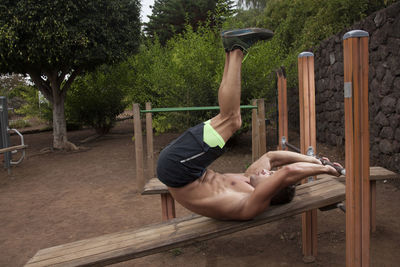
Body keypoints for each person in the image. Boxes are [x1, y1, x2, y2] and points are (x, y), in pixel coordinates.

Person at [156, 28, 341, 221]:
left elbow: (288, 172)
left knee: (231, 120)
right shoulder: (251, 180)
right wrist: (314, 160)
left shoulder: (250, 204)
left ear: (271, 189)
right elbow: (272, 157)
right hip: (186, 168)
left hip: (178, 170)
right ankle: (231, 51)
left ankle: (236, 48)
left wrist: (327, 169)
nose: (267, 171)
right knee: (228, 118)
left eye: (270, 176)